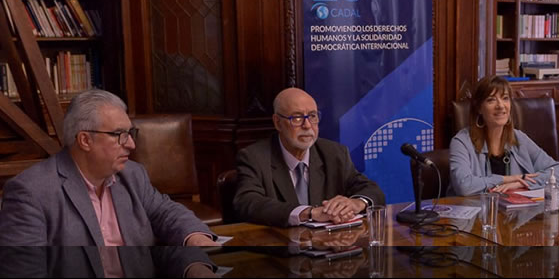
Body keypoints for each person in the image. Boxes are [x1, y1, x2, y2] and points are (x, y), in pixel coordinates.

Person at [0, 89, 218, 276]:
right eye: (119, 135)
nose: (131, 144)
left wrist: (195, 240)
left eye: (130, 133)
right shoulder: (30, 193)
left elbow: (165, 212)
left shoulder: (132, 175)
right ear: (85, 140)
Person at [232, 87, 385, 227]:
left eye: (312, 116)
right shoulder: (254, 157)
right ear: (277, 123)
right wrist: (309, 213)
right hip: (281, 247)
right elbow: (247, 202)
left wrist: (356, 203)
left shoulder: (334, 153)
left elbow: (372, 190)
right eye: (297, 118)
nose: (307, 125)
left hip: (330, 246)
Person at [449, 75, 559, 196]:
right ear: (479, 108)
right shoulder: (461, 142)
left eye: (505, 98)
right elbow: (464, 186)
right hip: (476, 211)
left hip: (515, 212)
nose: (501, 106)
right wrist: (505, 179)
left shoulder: (519, 138)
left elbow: (558, 171)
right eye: (491, 100)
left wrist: (521, 183)